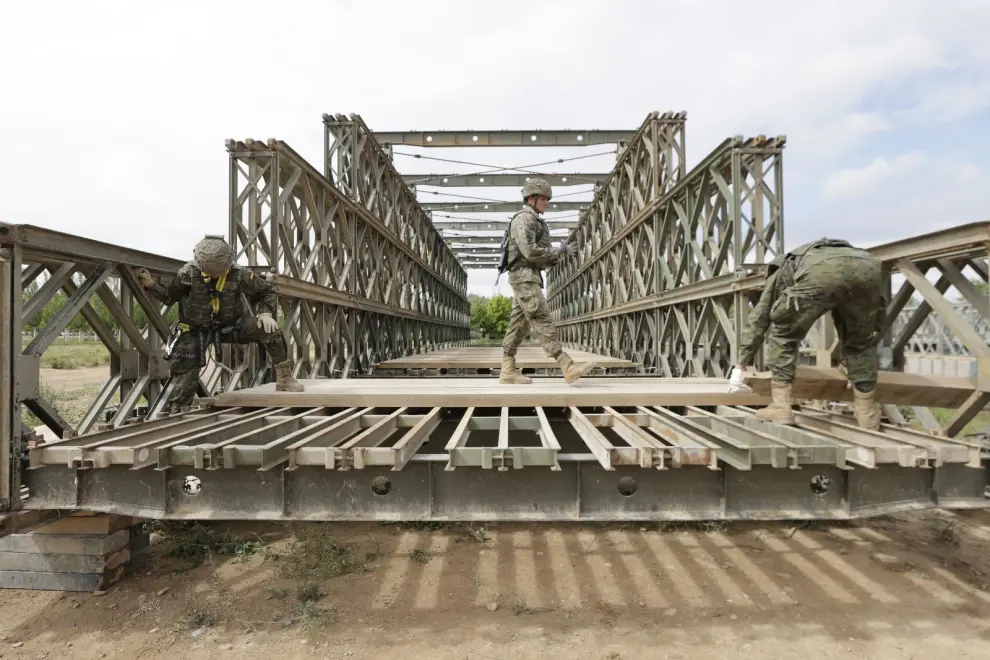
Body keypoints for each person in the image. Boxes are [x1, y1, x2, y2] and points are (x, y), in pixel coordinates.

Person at [134, 234, 304, 414]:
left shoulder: (239, 274)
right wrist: (151, 285)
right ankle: (180, 410)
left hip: (233, 326)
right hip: (195, 331)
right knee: (185, 362)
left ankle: (285, 379)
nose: (214, 275)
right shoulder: (188, 272)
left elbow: (266, 291)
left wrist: (265, 313)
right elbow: (170, 296)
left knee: (271, 330)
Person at [735, 237, 884, 429]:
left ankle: (781, 407)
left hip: (822, 273)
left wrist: (741, 363)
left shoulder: (781, 271)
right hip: (868, 266)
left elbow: (760, 317)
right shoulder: (832, 253)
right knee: (861, 343)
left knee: (784, 334)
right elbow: (870, 318)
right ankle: (867, 416)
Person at [499, 178, 597, 385]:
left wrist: (557, 255)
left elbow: (538, 255)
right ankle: (567, 366)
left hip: (528, 275)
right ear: (531, 198)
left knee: (519, 325)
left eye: (547, 198)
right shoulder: (524, 219)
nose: (547, 202)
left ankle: (507, 370)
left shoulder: (533, 220)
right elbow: (529, 251)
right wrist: (555, 251)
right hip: (524, 276)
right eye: (543, 198)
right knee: (541, 317)